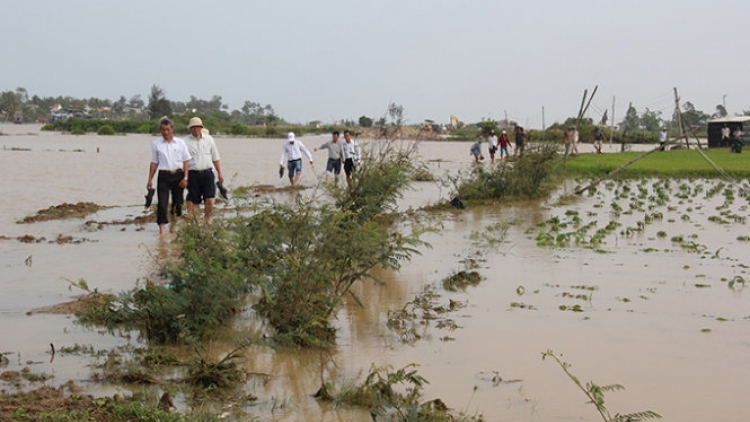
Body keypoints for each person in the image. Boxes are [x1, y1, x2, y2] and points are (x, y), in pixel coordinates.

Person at [146, 117, 191, 236]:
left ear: (172, 129)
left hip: (178, 175)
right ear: (160, 130)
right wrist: (150, 179)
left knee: (178, 203)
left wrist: (186, 178)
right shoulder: (156, 144)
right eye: (163, 130)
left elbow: (186, 160)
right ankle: (162, 231)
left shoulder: (180, 143)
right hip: (163, 176)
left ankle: (173, 226)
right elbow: (154, 162)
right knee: (162, 203)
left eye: (168, 129)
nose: (166, 132)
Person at [184, 117, 224, 224]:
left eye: (197, 127)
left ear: (201, 128)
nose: (195, 129)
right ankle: (198, 223)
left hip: (207, 173)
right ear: (190, 128)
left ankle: (207, 216)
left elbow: (215, 157)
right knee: (195, 201)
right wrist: (185, 177)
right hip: (193, 174)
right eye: (193, 127)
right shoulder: (185, 142)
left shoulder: (209, 139)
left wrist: (220, 173)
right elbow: (183, 161)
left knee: (210, 199)